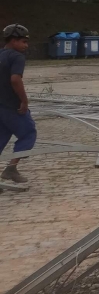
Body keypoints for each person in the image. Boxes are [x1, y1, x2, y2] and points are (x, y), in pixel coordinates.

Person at [0, 24, 36, 185]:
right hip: (12, 106)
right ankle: (11, 168)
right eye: (23, 42)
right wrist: (24, 100)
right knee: (28, 133)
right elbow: (15, 79)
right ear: (14, 41)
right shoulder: (16, 56)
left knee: (1, 137)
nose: (25, 45)